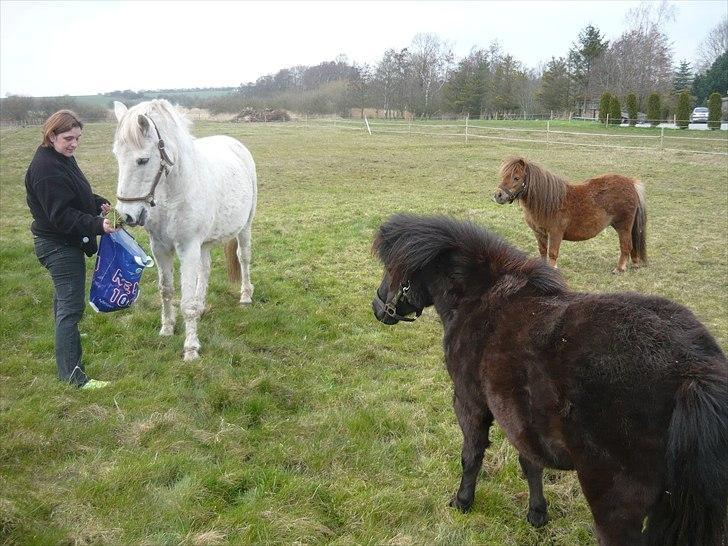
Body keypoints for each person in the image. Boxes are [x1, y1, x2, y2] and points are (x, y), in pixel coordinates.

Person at [25, 110, 118, 389]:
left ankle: (67, 345)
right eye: (68, 138)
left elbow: (77, 194)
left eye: (77, 138)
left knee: (64, 306)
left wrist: (98, 203)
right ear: (51, 135)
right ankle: (74, 378)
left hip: (63, 243)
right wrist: (99, 225)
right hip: (58, 246)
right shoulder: (45, 169)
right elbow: (61, 216)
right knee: (70, 309)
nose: (74, 143)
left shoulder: (61, 158)